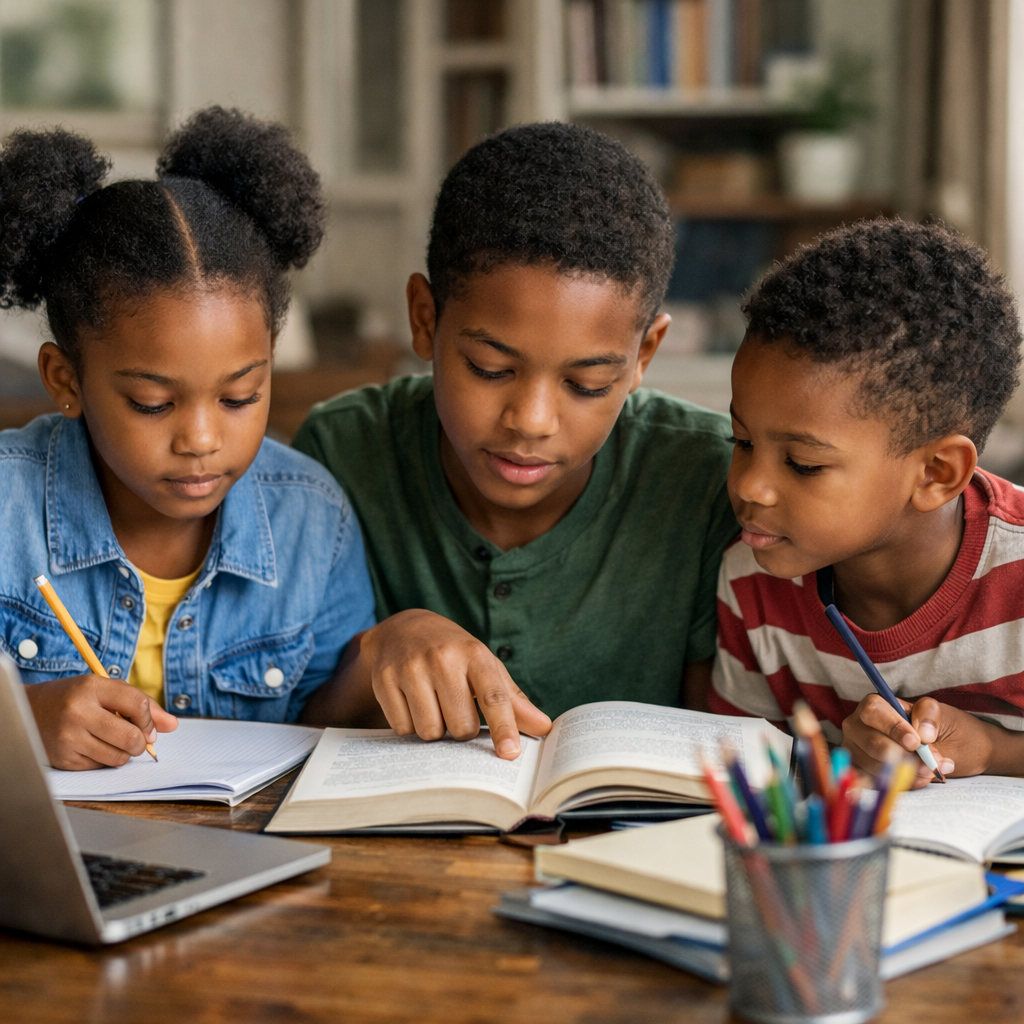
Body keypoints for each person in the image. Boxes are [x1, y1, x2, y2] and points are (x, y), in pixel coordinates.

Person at [295, 122, 739, 759]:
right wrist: (379, 650)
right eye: (490, 369)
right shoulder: (342, 453)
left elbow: (720, 741)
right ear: (425, 318)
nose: (531, 421)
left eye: (587, 384)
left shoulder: (706, 477)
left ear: (644, 355)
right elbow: (292, 730)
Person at [0, 108, 375, 770]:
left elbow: (327, 731)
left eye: (240, 396)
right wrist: (21, 725)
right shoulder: (8, 508)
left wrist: (382, 658)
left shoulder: (312, 520)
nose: (201, 439)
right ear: (65, 380)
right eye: (152, 403)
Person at [710, 218, 1024, 787]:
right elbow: (748, 777)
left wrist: (993, 750)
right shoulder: (752, 582)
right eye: (742, 441)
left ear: (936, 473)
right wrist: (834, 765)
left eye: (803, 463)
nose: (750, 486)